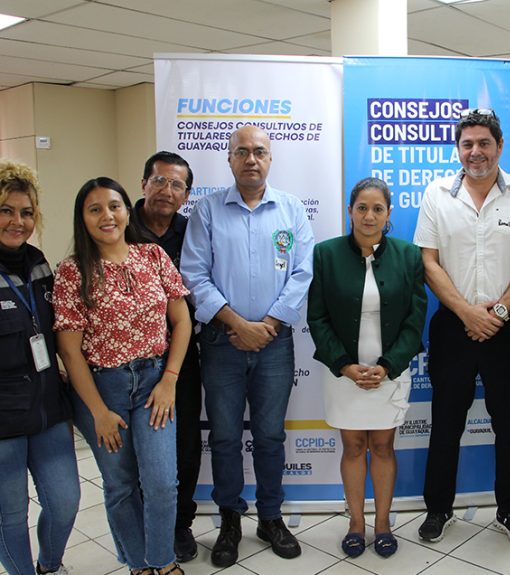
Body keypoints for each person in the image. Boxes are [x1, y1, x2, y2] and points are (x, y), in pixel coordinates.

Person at [413, 108, 510, 545]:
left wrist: (500, 312)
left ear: (499, 146)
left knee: (509, 424)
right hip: (453, 326)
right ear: (458, 149)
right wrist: (467, 313)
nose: (476, 152)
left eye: (484, 143)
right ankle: (438, 509)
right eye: (467, 144)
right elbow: (428, 261)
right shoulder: (437, 194)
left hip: (506, 329)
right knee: (445, 422)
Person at [181, 125, 314, 567]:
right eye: (242, 152)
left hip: (274, 342)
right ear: (230, 159)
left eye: (259, 151)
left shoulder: (291, 209)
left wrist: (268, 324)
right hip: (222, 341)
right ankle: (230, 521)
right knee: (224, 437)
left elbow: (302, 272)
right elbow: (193, 274)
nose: (251, 159)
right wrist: (238, 324)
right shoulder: (207, 211)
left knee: (270, 435)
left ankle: (271, 517)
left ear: (270, 158)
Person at [54, 177, 191, 575]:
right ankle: (138, 564)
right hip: (101, 388)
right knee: (120, 484)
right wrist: (97, 412)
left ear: (127, 211)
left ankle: (162, 560)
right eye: (94, 209)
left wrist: (169, 379)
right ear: (82, 218)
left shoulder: (152, 256)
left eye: (114, 206)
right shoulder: (72, 271)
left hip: (153, 384)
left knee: (162, 482)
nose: (107, 216)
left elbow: (181, 321)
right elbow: (69, 350)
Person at [307, 177, 427, 558]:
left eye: (377, 209)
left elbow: (415, 319)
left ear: (389, 214)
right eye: (362, 208)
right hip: (344, 372)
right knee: (354, 445)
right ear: (350, 211)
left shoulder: (409, 255)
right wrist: (344, 365)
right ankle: (356, 523)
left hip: (390, 371)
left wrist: (389, 366)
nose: (369, 216)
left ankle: (383, 524)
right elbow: (317, 317)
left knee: (383, 445)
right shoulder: (325, 254)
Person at [0, 160, 80, 575]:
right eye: (6, 210)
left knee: (65, 501)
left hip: (48, 405)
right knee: (10, 514)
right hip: (3, 419)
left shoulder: (38, 263)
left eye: (26, 212)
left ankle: (50, 565)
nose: (18, 221)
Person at [134, 151, 202, 563]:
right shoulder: (120, 228)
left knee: (185, 442)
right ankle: (144, 525)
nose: (167, 190)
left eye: (177, 185)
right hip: (131, 360)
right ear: (143, 183)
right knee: (138, 449)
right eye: (159, 181)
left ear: (186, 195)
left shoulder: (192, 231)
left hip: (182, 354)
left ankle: (180, 523)